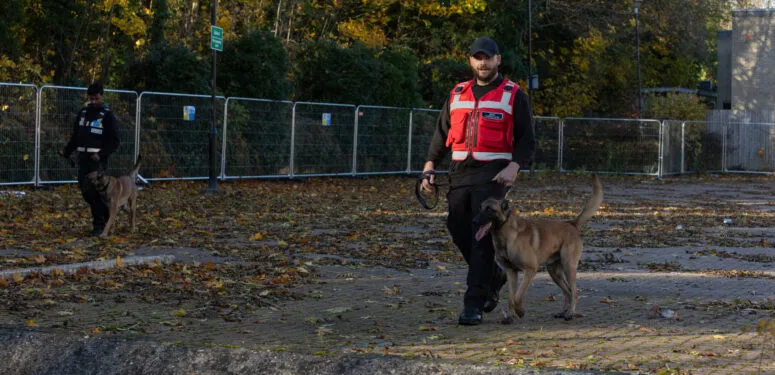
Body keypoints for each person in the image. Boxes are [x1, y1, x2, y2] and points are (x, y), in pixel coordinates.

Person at [421, 37, 536, 325]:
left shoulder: (513, 94)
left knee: (480, 236)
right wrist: (430, 165)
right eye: (477, 58)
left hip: (494, 175)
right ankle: (493, 276)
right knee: (457, 226)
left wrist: (515, 166)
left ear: (498, 60)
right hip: (460, 173)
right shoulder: (457, 93)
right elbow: (441, 133)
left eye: (488, 57)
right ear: (471, 61)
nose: (482, 63)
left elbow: (527, 139)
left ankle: (473, 304)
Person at [60, 83, 121, 236]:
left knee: (96, 192)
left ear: (102, 95)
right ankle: (107, 217)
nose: (93, 101)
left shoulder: (107, 115)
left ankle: (99, 225)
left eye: (96, 98)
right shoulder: (83, 113)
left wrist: (101, 154)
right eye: (91, 99)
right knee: (86, 192)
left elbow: (115, 141)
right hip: (83, 158)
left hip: (97, 161)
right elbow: (76, 136)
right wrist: (67, 151)